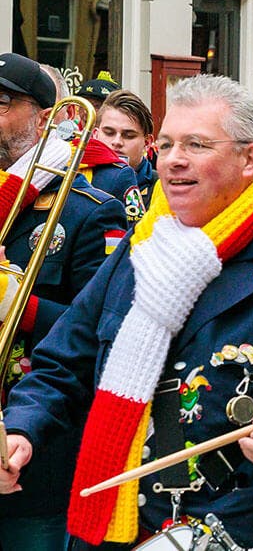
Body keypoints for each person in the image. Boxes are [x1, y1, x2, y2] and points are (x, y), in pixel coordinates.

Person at [0, 74, 253, 550]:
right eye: (166, 144)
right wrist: (22, 430)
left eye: (197, 144)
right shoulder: (135, 256)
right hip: (110, 530)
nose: (173, 159)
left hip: (232, 533)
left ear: (249, 159)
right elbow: (62, 364)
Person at [0, 52, 126, 551]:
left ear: (47, 118)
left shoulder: (90, 211)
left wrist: (19, 307)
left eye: (4, 104)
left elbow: (105, 331)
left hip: (35, 452)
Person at [43, 66, 144, 224]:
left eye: (96, 106)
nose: (87, 111)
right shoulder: (56, 157)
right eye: (83, 104)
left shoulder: (118, 175)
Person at [94, 90, 158, 206]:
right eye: (109, 133)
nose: (117, 142)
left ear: (147, 143)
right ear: (95, 135)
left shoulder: (162, 188)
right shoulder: (78, 178)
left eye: (129, 136)